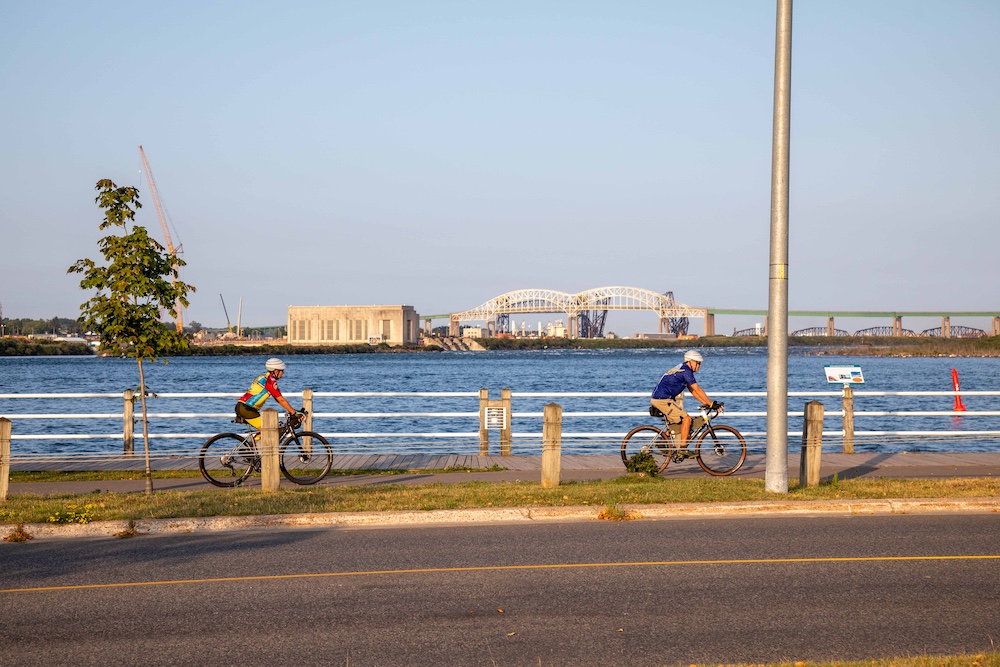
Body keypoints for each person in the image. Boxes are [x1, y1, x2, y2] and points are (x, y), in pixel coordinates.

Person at [650, 350, 721, 456]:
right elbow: (697, 389)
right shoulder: (686, 371)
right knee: (686, 419)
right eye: (698, 363)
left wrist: (706, 403)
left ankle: (661, 441)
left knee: (678, 425)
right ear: (691, 361)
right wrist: (711, 404)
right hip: (663, 399)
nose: (699, 366)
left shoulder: (683, 368)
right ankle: (682, 449)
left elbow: (693, 391)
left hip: (662, 398)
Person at [235, 358, 302, 430]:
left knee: (267, 431)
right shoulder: (270, 381)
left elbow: (278, 399)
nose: (283, 373)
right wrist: (294, 413)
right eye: (282, 371)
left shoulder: (264, 377)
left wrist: (291, 410)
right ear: (276, 371)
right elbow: (280, 399)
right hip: (246, 409)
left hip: (244, 406)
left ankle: (254, 441)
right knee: (269, 431)